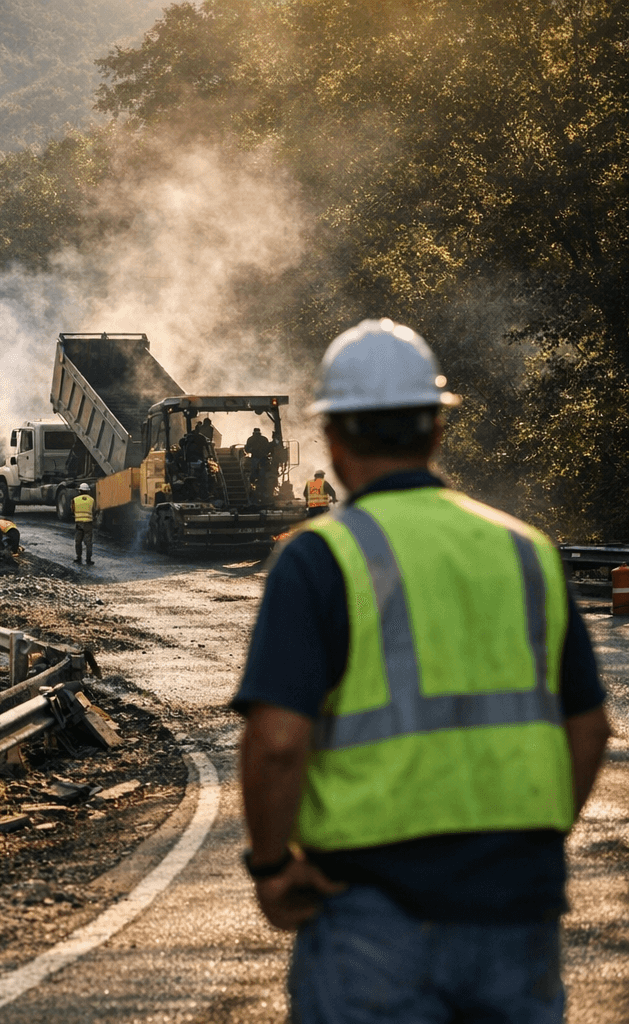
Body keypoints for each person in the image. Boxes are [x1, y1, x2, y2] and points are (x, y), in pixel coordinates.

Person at [233, 318, 610, 1024]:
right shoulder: (528, 552)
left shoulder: (319, 559)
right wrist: (531, 839)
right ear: (437, 429)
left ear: (335, 442)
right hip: (517, 908)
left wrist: (272, 866)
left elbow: (279, 741)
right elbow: (588, 728)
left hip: (371, 910)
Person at [244, 426, 273, 500]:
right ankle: (262, 489)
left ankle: (253, 482)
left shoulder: (250, 439)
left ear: (253, 432)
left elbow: (247, 449)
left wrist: (251, 450)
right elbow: (268, 448)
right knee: (263, 474)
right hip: (263, 458)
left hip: (255, 458)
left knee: (253, 472)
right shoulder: (264, 439)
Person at [72, 483, 96, 565]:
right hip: (88, 524)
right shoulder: (92, 500)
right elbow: (94, 510)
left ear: (80, 491)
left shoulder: (75, 500)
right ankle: (88, 559)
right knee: (88, 542)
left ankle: (78, 557)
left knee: (78, 541)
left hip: (79, 523)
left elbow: (72, 509)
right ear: (88, 491)